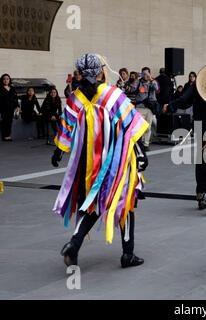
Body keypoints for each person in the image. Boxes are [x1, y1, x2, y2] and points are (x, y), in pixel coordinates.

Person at [51, 53, 149, 268]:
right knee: (125, 202)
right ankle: (128, 254)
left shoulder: (75, 97)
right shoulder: (112, 95)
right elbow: (131, 127)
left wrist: (58, 152)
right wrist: (142, 153)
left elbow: (65, 130)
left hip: (87, 165)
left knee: (92, 205)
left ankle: (74, 244)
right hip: (116, 161)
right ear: (100, 71)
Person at [164, 64, 206, 210]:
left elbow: (184, 100)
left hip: (201, 125)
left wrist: (170, 106)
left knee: (201, 160)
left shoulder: (198, 84)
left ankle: (201, 193)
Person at [135, 68, 160, 150]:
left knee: (148, 127)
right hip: (140, 107)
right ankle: (139, 142)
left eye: (147, 74)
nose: (145, 76)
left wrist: (151, 79)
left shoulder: (152, 82)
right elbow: (133, 88)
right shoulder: (138, 82)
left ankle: (146, 144)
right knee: (139, 126)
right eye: (144, 74)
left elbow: (156, 88)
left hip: (149, 108)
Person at [0, 74, 20, 141]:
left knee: (9, 121)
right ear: (2, 80)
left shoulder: (12, 88)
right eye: (4, 79)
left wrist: (17, 106)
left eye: (7, 79)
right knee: (4, 121)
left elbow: (16, 98)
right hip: (3, 108)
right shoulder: (0, 88)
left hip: (11, 108)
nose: (6, 80)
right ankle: (5, 136)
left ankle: (8, 135)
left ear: (9, 80)